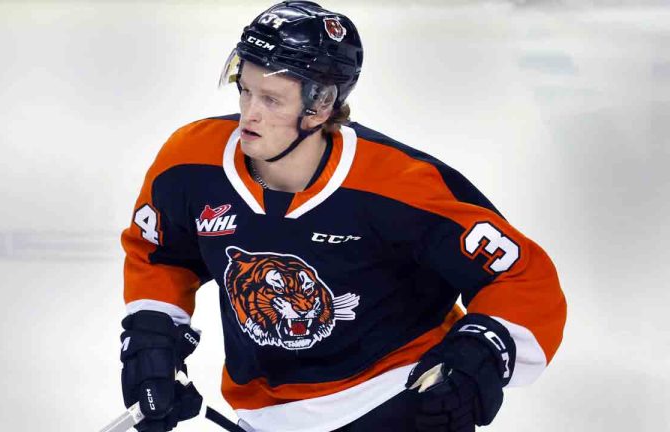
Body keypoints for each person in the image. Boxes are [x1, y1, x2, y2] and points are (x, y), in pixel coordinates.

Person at [118, 2, 567, 431]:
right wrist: (154, 335)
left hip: (396, 395)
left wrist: (476, 357)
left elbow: (522, 277)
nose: (249, 115)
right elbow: (161, 253)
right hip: (265, 412)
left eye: (272, 100)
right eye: (246, 90)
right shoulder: (190, 163)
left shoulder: (398, 183)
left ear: (320, 105)